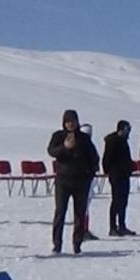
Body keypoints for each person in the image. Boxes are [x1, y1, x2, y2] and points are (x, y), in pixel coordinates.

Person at [48, 109, 99, 255]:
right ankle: (57, 244)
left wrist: (89, 175)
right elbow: (52, 151)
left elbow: (94, 158)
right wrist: (64, 147)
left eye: (73, 121)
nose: (71, 124)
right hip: (63, 180)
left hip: (81, 181)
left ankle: (77, 243)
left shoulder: (84, 138)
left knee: (79, 214)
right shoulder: (58, 136)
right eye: (68, 121)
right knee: (60, 212)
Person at [103, 120, 137, 237]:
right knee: (116, 200)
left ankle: (122, 225)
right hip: (116, 175)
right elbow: (106, 159)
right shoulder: (112, 141)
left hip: (125, 174)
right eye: (127, 130)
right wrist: (110, 172)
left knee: (124, 201)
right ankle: (112, 227)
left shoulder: (124, 141)